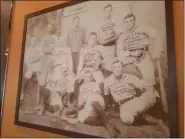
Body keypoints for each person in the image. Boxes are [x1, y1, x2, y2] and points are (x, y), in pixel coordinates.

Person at [104, 58, 159, 125]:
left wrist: (145, 88)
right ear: (112, 69)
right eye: (115, 67)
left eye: (119, 66)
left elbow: (143, 86)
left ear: (122, 68)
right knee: (126, 119)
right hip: (125, 105)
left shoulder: (129, 77)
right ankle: (145, 120)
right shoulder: (107, 81)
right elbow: (107, 96)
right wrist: (105, 109)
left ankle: (154, 112)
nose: (117, 69)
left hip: (137, 100)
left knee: (151, 90)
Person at [65, 68, 118, 137]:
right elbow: (81, 102)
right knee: (84, 119)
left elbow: (101, 93)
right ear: (83, 77)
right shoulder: (81, 87)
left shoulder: (95, 84)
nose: (87, 78)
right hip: (87, 105)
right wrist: (78, 108)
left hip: (97, 100)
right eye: (85, 76)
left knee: (93, 102)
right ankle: (109, 123)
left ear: (91, 77)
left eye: (89, 77)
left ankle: (109, 127)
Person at [97, 4, 120, 77]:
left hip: (111, 47)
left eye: (110, 10)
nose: (108, 12)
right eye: (106, 10)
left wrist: (105, 41)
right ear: (104, 11)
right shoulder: (100, 23)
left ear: (111, 11)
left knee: (110, 66)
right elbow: (99, 39)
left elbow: (117, 36)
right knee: (102, 66)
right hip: (102, 48)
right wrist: (103, 41)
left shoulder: (114, 22)